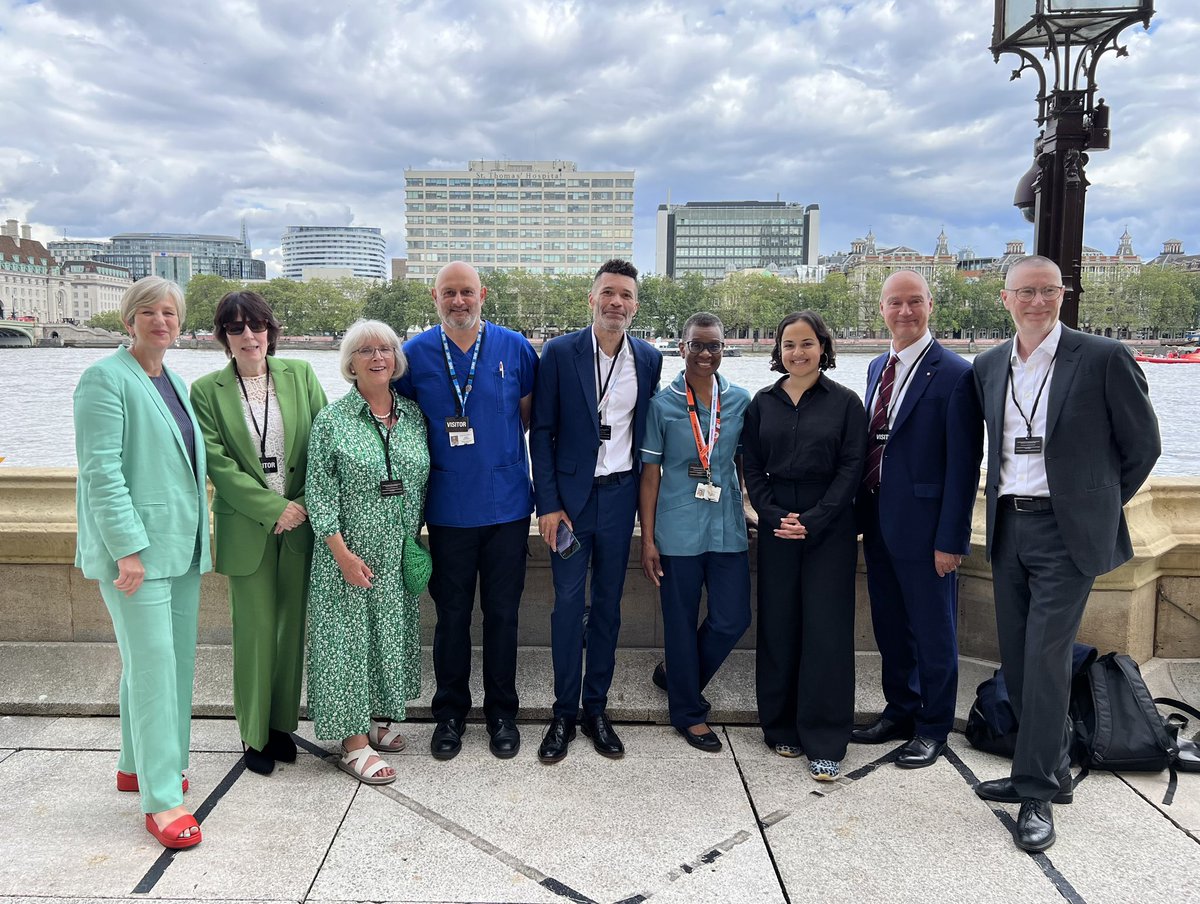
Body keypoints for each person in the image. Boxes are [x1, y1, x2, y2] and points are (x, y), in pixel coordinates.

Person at [972, 255, 1159, 852]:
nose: (1036, 301)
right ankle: (1049, 769)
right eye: (1025, 292)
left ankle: (1035, 794)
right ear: (1006, 299)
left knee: (1049, 658)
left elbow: (1143, 446)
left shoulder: (1102, 358)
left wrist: (1092, 505)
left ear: (1062, 295)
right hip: (1009, 530)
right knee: (1020, 660)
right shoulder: (989, 364)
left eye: (1047, 291)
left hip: (1065, 534)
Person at [73, 276, 211, 849]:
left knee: (164, 664)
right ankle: (162, 798)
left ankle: (137, 765)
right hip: (137, 555)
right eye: (149, 312)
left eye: (171, 313)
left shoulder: (173, 381)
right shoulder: (103, 379)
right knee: (155, 669)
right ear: (128, 320)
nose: (162, 321)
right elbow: (100, 471)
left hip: (180, 549)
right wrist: (126, 548)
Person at [395, 262, 537, 760]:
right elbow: (403, 431)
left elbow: (526, 416)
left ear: (483, 294)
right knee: (451, 617)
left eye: (467, 292)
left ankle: (502, 713)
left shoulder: (515, 347)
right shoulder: (411, 357)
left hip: (508, 509)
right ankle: (450, 713)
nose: (459, 301)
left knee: (503, 614)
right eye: (449, 293)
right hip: (448, 509)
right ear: (434, 296)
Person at [190, 291, 328, 776]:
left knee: (291, 631)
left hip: (301, 524)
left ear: (271, 330)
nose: (249, 336)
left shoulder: (301, 376)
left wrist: (304, 505)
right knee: (253, 633)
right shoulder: (206, 391)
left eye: (257, 326)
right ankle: (252, 734)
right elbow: (217, 465)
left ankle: (280, 725)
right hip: (249, 527)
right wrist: (273, 509)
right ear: (223, 337)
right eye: (236, 328)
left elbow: (324, 444)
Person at [530, 259, 662, 762]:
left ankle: (596, 709)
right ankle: (563, 712)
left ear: (635, 305)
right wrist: (548, 505)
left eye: (626, 295)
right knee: (567, 606)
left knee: (608, 606)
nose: (616, 303)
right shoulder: (560, 352)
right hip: (570, 505)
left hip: (620, 497)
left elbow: (647, 435)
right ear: (592, 298)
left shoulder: (648, 359)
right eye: (608, 293)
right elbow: (540, 433)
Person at [851, 271, 983, 768]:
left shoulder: (955, 373)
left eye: (914, 302)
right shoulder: (876, 369)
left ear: (931, 305)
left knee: (933, 632)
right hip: (880, 522)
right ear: (881, 309)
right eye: (894, 303)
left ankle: (933, 727)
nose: (904, 312)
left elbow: (964, 465)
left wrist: (952, 539)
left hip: (928, 531)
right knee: (890, 626)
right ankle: (900, 710)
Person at [742, 311, 867, 781]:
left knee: (827, 632)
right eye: (789, 344)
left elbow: (851, 468)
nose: (798, 352)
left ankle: (827, 737)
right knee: (779, 625)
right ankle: (780, 726)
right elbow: (751, 465)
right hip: (777, 524)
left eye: (807, 343)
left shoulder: (846, 402)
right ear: (778, 351)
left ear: (823, 347)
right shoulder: (762, 403)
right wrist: (773, 514)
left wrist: (814, 520)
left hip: (829, 525)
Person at [305, 319, 429, 785]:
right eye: (365, 351)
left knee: (386, 637)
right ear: (350, 364)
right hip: (348, 553)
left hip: (397, 551)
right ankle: (353, 744)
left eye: (386, 349)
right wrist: (341, 553)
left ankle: (377, 720)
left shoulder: (414, 415)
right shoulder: (333, 421)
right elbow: (318, 492)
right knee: (346, 644)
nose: (378, 357)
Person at [638, 312, 752, 753]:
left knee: (733, 617)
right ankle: (687, 712)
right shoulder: (662, 405)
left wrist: (754, 507)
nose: (706, 354)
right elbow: (650, 475)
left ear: (724, 348)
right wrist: (648, 539)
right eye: (697, 345)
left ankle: (677, 676)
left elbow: (748, 465)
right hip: (677, 528)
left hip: (727, 526)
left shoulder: (741, 401)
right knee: (680, 623)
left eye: (715, 346)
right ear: (681, 347)